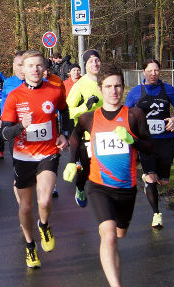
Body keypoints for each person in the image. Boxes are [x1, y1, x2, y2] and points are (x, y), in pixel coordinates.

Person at [63, 64, 152, 287]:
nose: (113, 91)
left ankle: (112, 264)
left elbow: (149, 147)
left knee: (118, 235)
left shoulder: (134, 115)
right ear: (101, 89)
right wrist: (72, 163)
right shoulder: (90, 117)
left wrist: (133, 140)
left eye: (118, 86)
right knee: (109, 234)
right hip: (98, 185)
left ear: (123, 88)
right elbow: (74, 136)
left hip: (126, 188)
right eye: (109, 87)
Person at [0, 50, 70, 269]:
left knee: (45, 200)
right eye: (30, 66)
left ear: (45, 67)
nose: (35, 70)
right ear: (23, 69)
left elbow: (65, 112)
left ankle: (45, 224)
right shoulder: (15, 96)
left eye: (39, 65)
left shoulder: (55, 90)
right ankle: (30, 246)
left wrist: (64, 134)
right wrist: (22, 126)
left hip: (48, 152)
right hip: (23, 156)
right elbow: (4, 134)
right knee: (26, 207)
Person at [125, 58, 174, 228]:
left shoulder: (168, 89)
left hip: (165, 140)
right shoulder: (136, 92)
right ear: (143, 72)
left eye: (156, 70)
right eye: (150, 70)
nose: (153, 74)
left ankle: (148, 178)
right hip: (146, 142)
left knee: (163, 181)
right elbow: (125, 113)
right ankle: (156, 214)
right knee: (152, 178)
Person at [66, 49, 103, 208]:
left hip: (104, 133)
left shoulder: (106, 80)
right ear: (85, 65)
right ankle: (80, 187)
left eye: (97, 60)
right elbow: (69, 110)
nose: (95, 63)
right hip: (86, 135)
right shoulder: (80, 84)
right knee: (88, 170)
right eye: (90, 61)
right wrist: (85, 107)